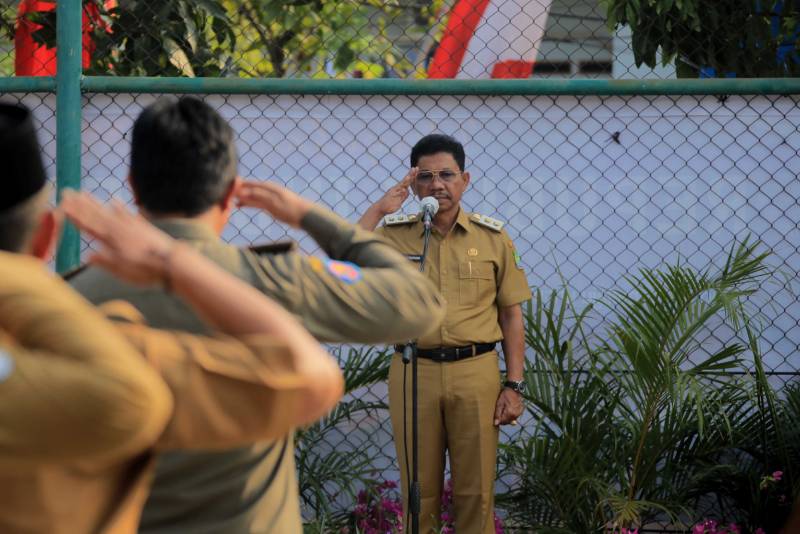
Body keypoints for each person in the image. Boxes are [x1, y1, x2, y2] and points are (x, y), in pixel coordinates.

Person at [68, 96, 445, 533]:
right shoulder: (273, 279)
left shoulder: (72, 296)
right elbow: (419, 303)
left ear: (133, 186)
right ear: (231, 193)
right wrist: (307, 215)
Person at [0, 101, 344, 533]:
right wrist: (171, 263)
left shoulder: (81, 316)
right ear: (47, 235)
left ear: (134, 186)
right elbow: (311, 377)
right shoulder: (103, 360)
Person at [359, 134, 532, 534]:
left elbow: (511, 316)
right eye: (426, 176)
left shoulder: (492, 238)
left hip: (475, 371)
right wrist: (380, 209)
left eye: (447, 175)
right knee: (419, 492)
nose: (436, 184)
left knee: (476, 492)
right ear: (413, 183)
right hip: (413, 371)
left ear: (465, 180)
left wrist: (514, 385)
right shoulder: (395, 234)